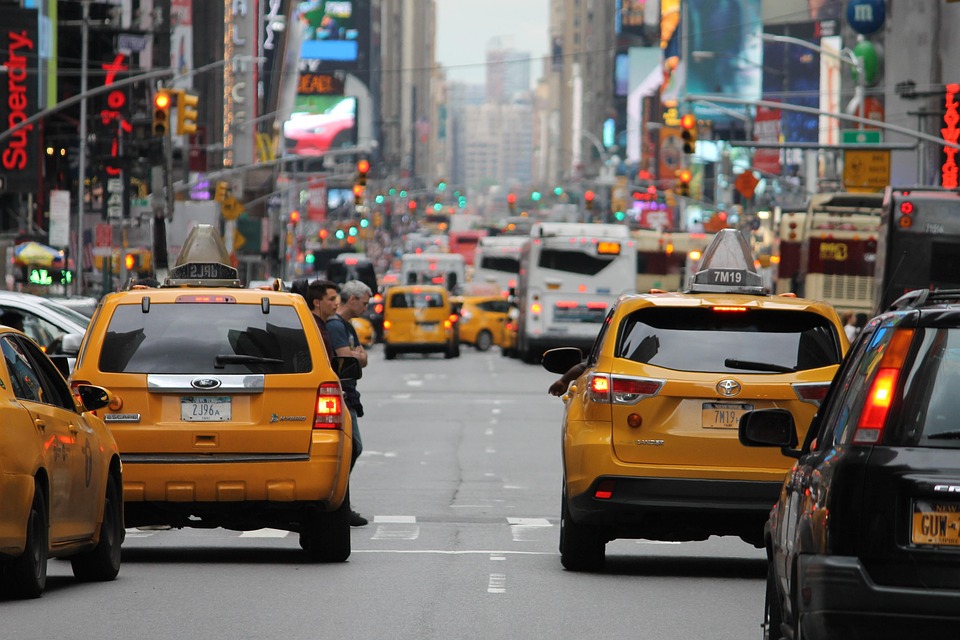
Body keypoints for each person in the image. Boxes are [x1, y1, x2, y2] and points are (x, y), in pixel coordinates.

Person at [325, 280, 372, 527]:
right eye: (364, 303)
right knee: (351, 447)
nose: (367, 307)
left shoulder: (347, 326)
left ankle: (341, 500)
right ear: (351, 299)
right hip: (341, 393)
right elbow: (348, 357)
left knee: (352, 448)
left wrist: (359, 356)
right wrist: (358, 356)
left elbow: (362, 357)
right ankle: (339, 499)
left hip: (349, 392)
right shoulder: (336, 325)